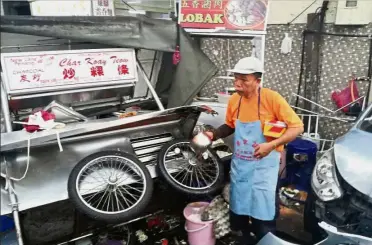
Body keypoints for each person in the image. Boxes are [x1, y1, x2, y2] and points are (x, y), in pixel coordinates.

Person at [203, 57, 304, 244]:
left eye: (244, 79)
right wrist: (213, 134)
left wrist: (271, 145)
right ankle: (241, 237)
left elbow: (297, 127)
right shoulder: (235, 100)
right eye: (236, 78)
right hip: (242, 164)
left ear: (258, 80)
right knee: (238, 207)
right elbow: (230, 125)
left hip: (264, 167)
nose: (238, 84)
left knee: (262, 210)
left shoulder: (271, 98)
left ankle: (265, 237)